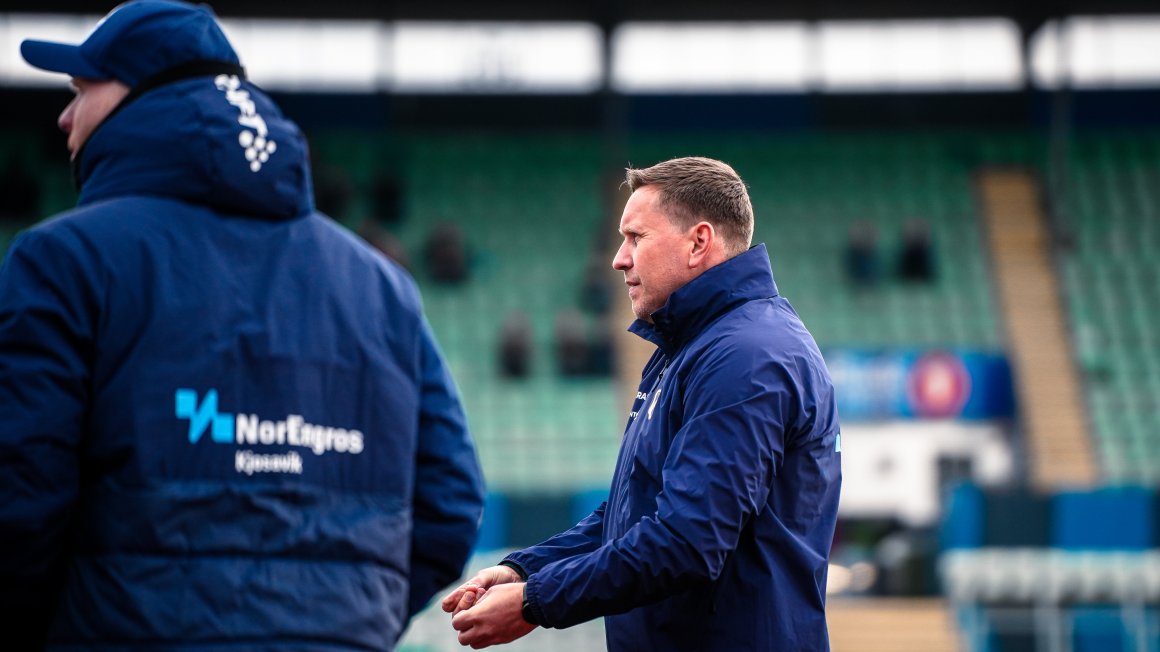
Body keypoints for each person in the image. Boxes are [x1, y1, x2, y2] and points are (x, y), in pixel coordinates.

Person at [0, 2, 485, 650]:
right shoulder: (383, 286)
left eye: (81, 89)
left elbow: (19, 494)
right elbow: (451, 500)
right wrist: (348, 615)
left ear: (138, 95)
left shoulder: (63, 260)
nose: (64, 115)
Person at [443, 156, 843, 650]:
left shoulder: (746, 356)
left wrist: (536, 602)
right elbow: (637, 511)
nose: (618, 259)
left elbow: (688, 540)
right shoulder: (691, 348)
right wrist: (526, 570)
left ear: (698, 242)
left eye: (636, 237)